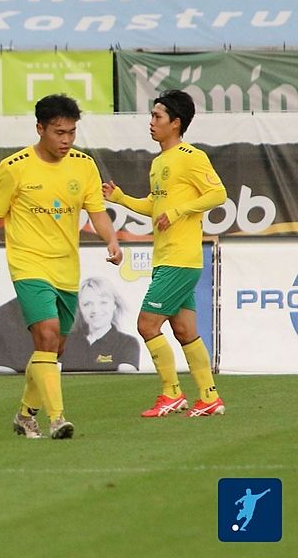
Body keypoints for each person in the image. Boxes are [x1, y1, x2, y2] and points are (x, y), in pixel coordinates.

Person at [0, 94, 122, 440]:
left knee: (54, 347)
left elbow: (96, 212)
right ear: (40, 129)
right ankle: (57, 418)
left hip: (66, 270)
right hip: (28, 265)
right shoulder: (14, 168)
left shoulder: (84, 165)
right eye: (58, 132)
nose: (66, 140)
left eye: (71, 133)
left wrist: (111, 240)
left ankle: (24, 414)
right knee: (46, 334)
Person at [103, 89, 227, 418]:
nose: (151, 122)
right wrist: (120, 198)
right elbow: (154, 205)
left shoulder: (191, 156)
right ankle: (209, 396)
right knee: (185, 331)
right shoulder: (159, 162)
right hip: (166, 259)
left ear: (176, 123)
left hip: (180, 259)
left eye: (158, 117)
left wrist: (179, 212)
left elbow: (218, 193)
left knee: (147, 324)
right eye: (152, 116)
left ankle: (171, 392)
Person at [61, 277, 140, 372]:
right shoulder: (65, 342)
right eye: (87, 304)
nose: (95, 310)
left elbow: (126, 384)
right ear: (80, 308)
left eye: (103, 302)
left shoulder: (128, 344)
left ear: (114, 305)